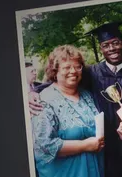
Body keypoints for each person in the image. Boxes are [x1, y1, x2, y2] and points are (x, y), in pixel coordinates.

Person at [29, 22, 122, 177]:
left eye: (115, 43)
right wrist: (33, 92)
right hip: (105, 154)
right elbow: (62, 81)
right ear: (101, 48)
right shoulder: (92, 73)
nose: (111, 49)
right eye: (105, 45)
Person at [31, 45, 104, 177]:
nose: (73, 71)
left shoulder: (86, 95)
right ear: (55, 71)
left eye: (78, 66)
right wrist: (84, 145)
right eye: (66, 67)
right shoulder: (45, 100)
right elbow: (44, 145)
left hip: (93, 169)